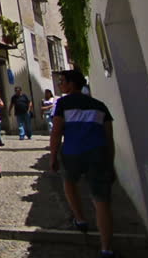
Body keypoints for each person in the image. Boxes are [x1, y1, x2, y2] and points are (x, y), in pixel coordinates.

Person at [50, 70, 116, 258]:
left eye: (62, 81)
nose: (60, 84)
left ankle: (80, 218)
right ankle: (106, 248)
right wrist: (110, 163)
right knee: (102, 201)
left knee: (69, 183)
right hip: (99, 154)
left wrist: (53, 156)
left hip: (72, 153)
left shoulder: (63, 103)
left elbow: (56, 131)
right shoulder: (100, 106)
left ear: (71, 84)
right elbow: (109, 138)